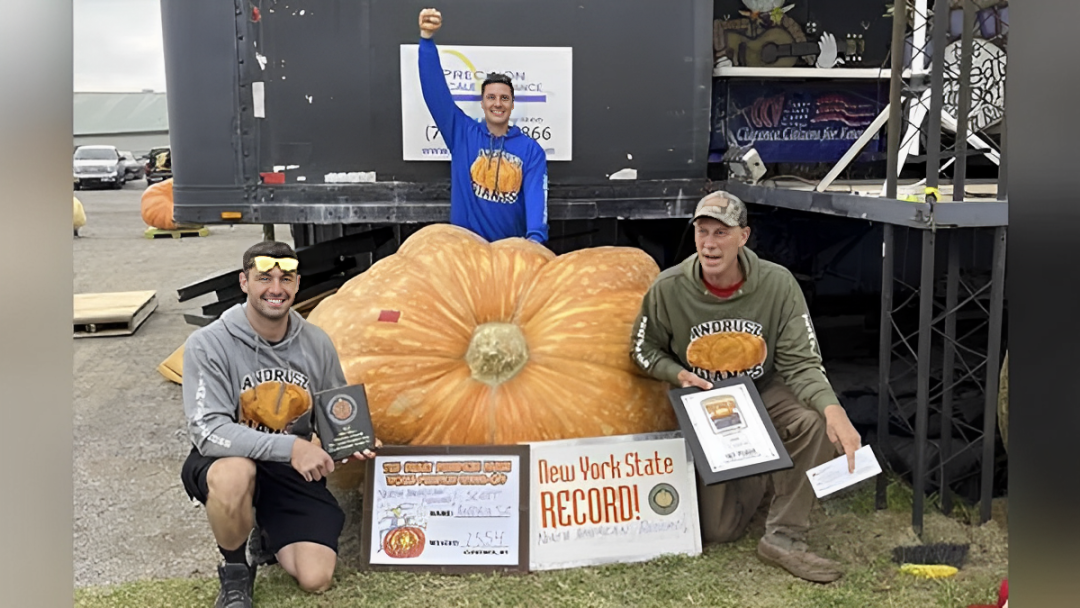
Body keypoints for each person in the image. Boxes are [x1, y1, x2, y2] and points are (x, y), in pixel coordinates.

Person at [630, 191, 862, 583]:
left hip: (761, 390)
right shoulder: (669, 288)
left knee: (811, 422)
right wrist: (675, 373)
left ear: (744, 236)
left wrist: (832, 408)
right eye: (702, 231)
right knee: (721, 530)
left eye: (722, 232)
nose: (709, 243)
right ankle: (761, 476)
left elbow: (801, 362)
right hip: (705, 401)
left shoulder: (777, 285)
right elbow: (641, 350)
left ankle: (784, 535)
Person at [180, 241, 380, 607]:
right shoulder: (208, 344)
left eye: (286, 279)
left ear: (298, 284)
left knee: (316, 577)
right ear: (244, 282)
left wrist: (352, 440)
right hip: (229, 457)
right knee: (234, 476)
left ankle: (267, 529)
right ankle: (237, 572)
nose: (276, 289)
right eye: (264, 278)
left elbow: (334, 410)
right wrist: (293, 447)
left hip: (289, 470)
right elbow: (208, 431)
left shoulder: (316, 342)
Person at [417, 7, 549, 244]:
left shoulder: (531, 151)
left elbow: (535, 198)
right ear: (482, 102)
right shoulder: (462, 133)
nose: (497, 104)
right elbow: (435, 93)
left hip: (509, 253)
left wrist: (535, 242)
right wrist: (427, 40)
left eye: (504, 98)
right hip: (465, 250)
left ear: (512, 104)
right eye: (491, 97)